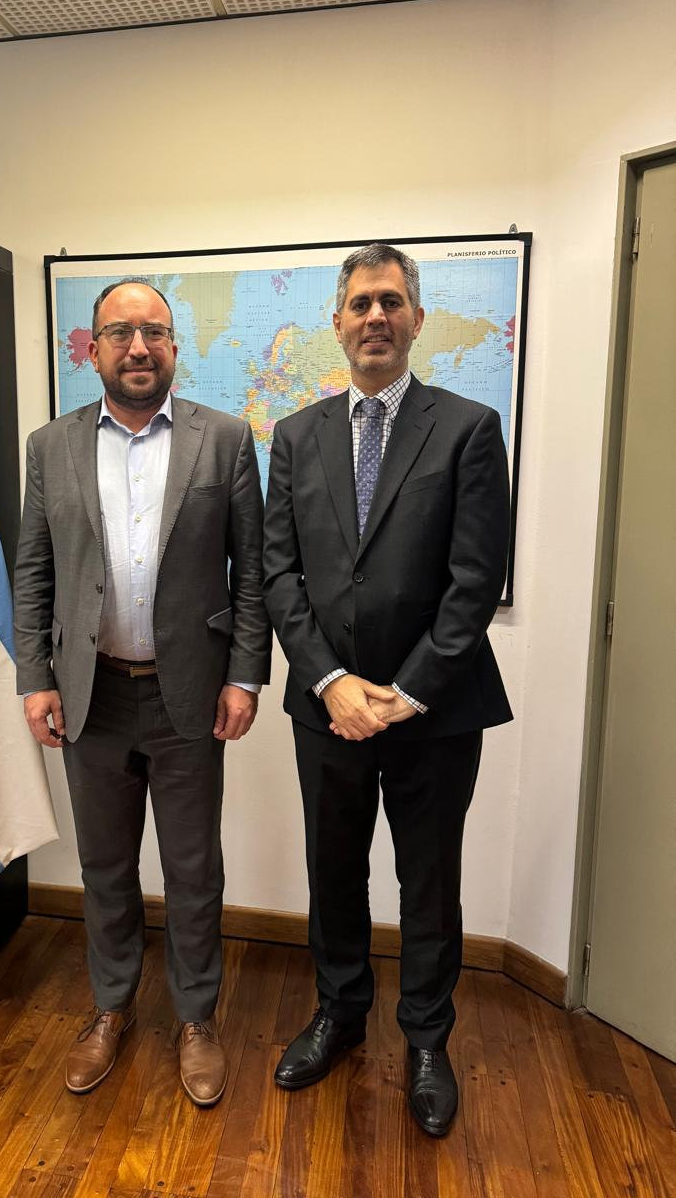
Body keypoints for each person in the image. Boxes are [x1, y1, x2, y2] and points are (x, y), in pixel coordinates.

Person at [262, 243, 512, 1136]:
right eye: (361, 302)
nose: (376, 316)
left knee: (428, 881)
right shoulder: (296, 436)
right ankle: (339, 1014)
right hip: (326, 708)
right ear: (337, 321)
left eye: (391, 302)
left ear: (416, 319)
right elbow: (278, 574)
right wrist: (331, 682)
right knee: (334, 871)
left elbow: (475, 581)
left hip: (434, 713)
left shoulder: (469, 428)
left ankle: (428, 1042)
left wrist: (404, 693)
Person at [14, 278, 270, 1107]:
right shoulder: (50, 447)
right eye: (120, 332)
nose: (138, 347)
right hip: (90, 695)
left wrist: (244, 674)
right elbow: (34, 571)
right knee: (104, 866)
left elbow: (253, 570)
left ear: (174, 346)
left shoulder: (223, 440)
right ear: (93, 348)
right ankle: (111, 1007)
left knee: (194, 870)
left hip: (187, 694)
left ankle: (197, 1019)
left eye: (154, 332)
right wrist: (35, 678)